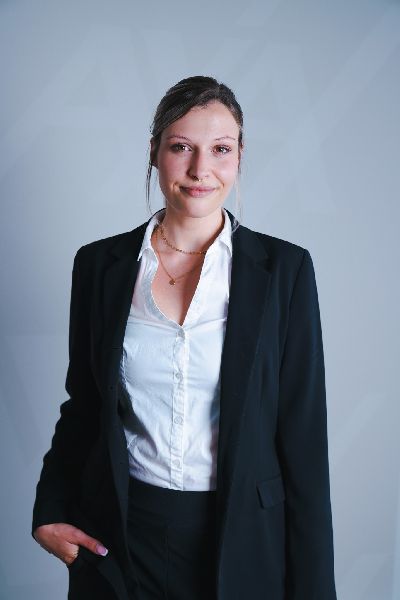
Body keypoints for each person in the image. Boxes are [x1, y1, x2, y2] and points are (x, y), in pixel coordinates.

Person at [32, 76, 337, 600]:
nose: (200, 170)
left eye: (220, 149)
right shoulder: (100, 265)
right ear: (155, 152)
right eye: (181, 147)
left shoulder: (285, 271)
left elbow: (303, 441)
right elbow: (84, 405)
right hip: (121, 536)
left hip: (242, 535)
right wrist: (50, 511)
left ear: (240, 156)